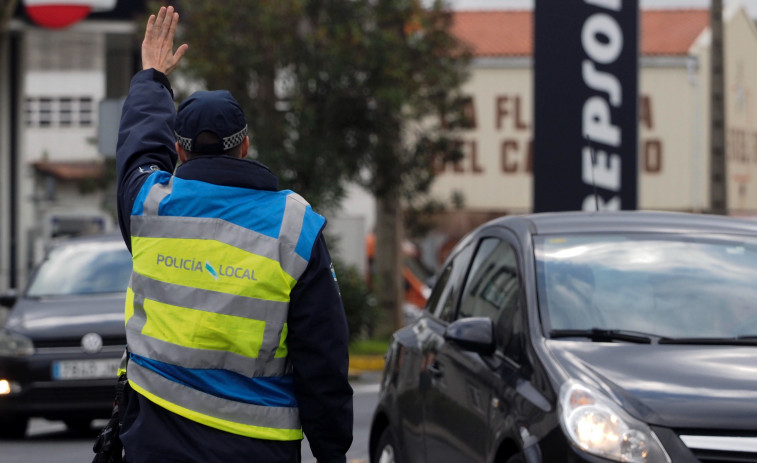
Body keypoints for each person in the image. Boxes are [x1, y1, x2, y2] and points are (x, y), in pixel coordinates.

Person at [113, 6, 353, 463]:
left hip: (154, 444)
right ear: (245, 146)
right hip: (256, 449)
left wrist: (151, 78)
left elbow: (139, 147)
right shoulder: (293, 226)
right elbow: (322, 356)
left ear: (180, 154)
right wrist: (331, 453)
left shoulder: (150, 206)